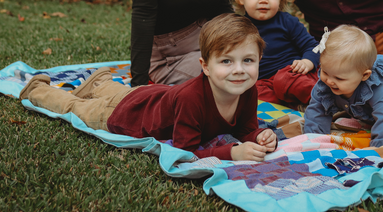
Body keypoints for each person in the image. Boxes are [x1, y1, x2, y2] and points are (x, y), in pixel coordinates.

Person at [19, 14, 277, 161]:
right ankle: (37, 90)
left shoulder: (246, 89)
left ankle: (100, 82)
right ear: (205, 66)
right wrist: (232, 153)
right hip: (125, 116)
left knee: (124, 94)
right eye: (226, 61)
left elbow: (246, 130)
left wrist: (258, 137)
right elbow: (184, 151)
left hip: (148, 96)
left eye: (248, 60)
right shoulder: (192, 99)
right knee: (75, 107)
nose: (239, 70)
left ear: (258, 61)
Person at [228, 0, 320, 106]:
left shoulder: (287, 21)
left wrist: (307, 62)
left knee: (284, 80)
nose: (263, 0)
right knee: (252, 93)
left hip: (292, 74)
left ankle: (323, 100)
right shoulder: (237, 28)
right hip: (263, 81)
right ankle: (294, 107)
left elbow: (313, 47)